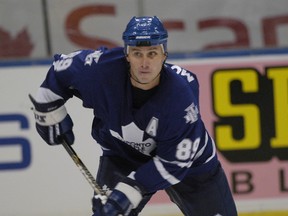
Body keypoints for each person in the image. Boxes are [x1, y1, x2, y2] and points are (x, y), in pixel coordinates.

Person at [29, 16, 238, 216]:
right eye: (137, 53)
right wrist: (46, 109)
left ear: (164, 54)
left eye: (152, 53)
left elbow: (174, 162)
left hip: (192, 167)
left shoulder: (180, 97)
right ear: (127, 54)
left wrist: (130, 190)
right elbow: (60, 70)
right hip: (123, 155)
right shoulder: (101, 70)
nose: (144, 63)